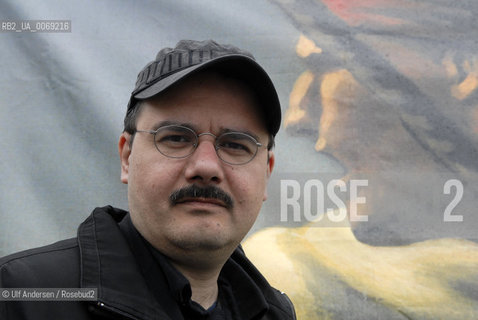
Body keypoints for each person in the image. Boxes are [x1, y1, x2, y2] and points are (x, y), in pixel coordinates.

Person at [0, 40, 296, 320]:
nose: (206, 166)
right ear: (127, 157)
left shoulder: (276, 313)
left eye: (235, 144)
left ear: (267, 172)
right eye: (177, 138)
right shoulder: (23, 298)